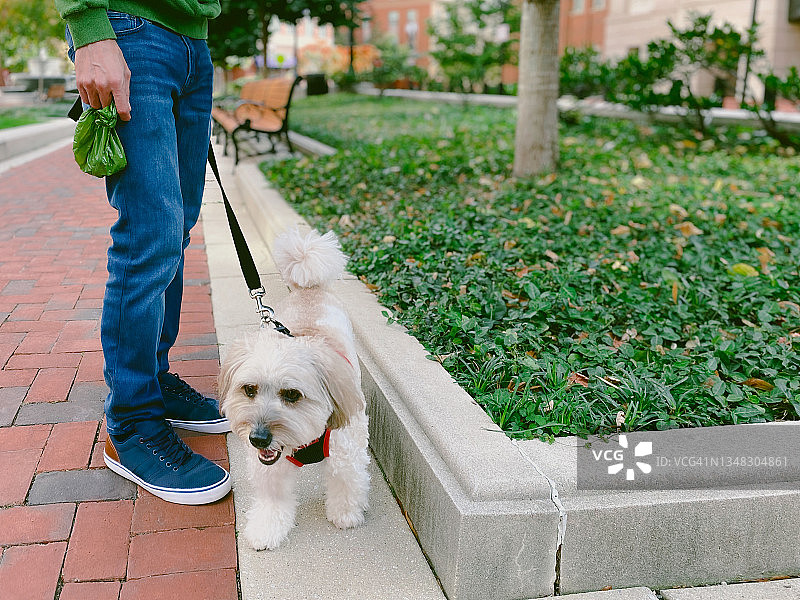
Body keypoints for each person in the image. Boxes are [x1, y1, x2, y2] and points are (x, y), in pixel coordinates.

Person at [55, 0, 232, 505]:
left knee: (175, 230)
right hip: (128, 30)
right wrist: (89, 30)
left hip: (194, 41)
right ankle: (131, 422)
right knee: (150, 235)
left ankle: (154, 378)